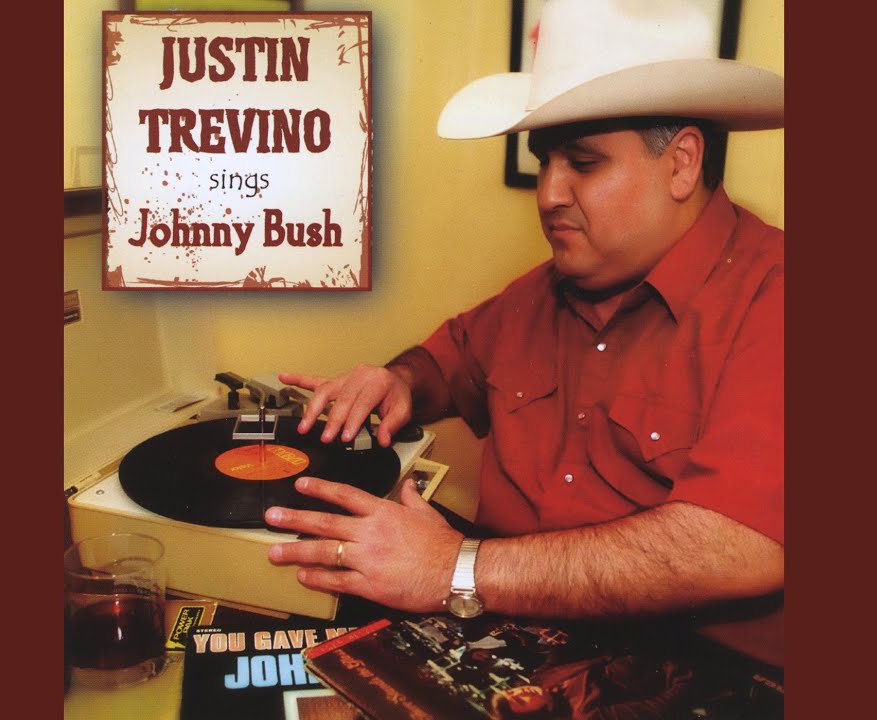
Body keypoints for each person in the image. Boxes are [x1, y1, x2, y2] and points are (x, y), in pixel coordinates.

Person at [265, 0, 786, 667]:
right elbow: (445, 363)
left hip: (692, 678)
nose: (548, 194)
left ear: (683, 163)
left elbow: (738, 545)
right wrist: (397, 381)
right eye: (544, 163)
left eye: (583, 163)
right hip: (503, 647)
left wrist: (455, 568)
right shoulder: (541, 293)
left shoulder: (775, 296)